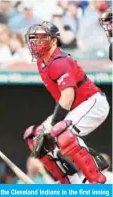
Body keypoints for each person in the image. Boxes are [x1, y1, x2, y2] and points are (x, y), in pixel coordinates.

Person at [23, 21, 110, 184]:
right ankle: (70, 183)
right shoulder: (41, 62)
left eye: (42, 38)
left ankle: (96, 180)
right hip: (74, 108)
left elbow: (68, 96)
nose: (36, 42)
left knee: (61, 133)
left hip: (92, 103)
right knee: (35, 138)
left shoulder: (59, 61)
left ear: (54, 41)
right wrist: (48, 131)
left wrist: (53, 126)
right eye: (34, 38)